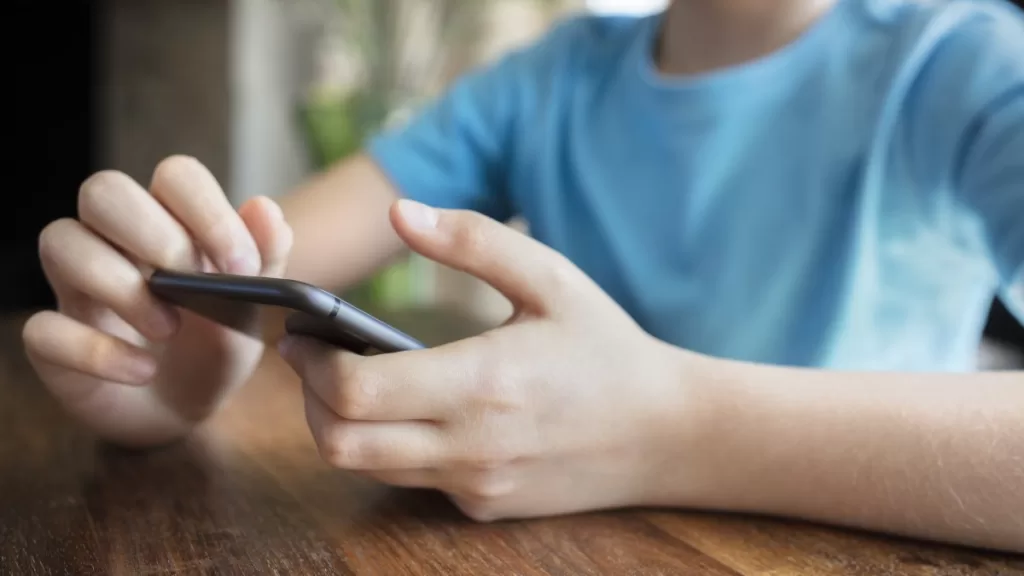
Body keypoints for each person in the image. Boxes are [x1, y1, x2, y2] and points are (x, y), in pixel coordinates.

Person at [22, 0, 1022, 554]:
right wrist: (167, 362)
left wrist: (670, 426)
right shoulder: (548, 80)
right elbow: (266, 264)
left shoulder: (966, 67)